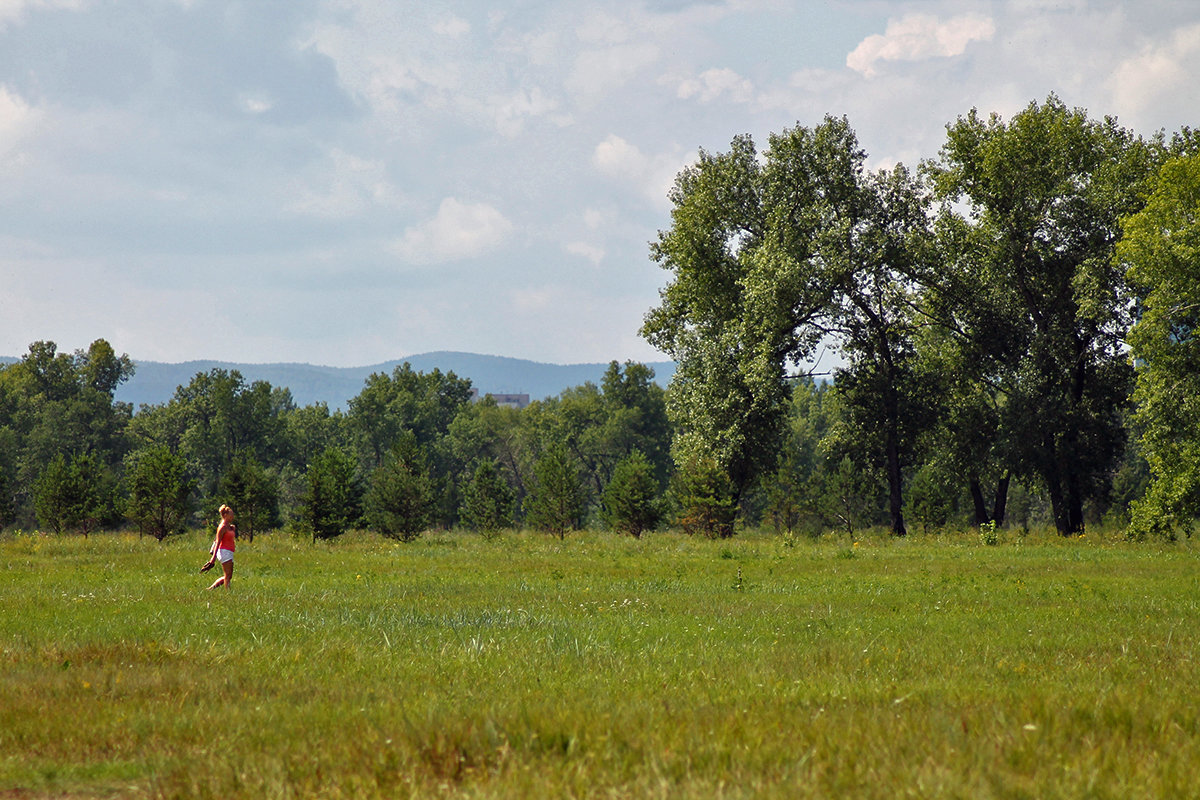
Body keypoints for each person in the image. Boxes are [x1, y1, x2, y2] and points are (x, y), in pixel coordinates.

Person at [200, 504, 236, 589]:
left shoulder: (229, 527)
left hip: (229, 551)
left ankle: (210, 589)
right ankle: (228, 593)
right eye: (231, 515)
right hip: (224, 552)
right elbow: (217, 542)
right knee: (228, 575)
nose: (232, 516)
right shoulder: (222, 527)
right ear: (225, 515)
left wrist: (232, 529)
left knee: (228, 575)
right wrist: (213, 558)